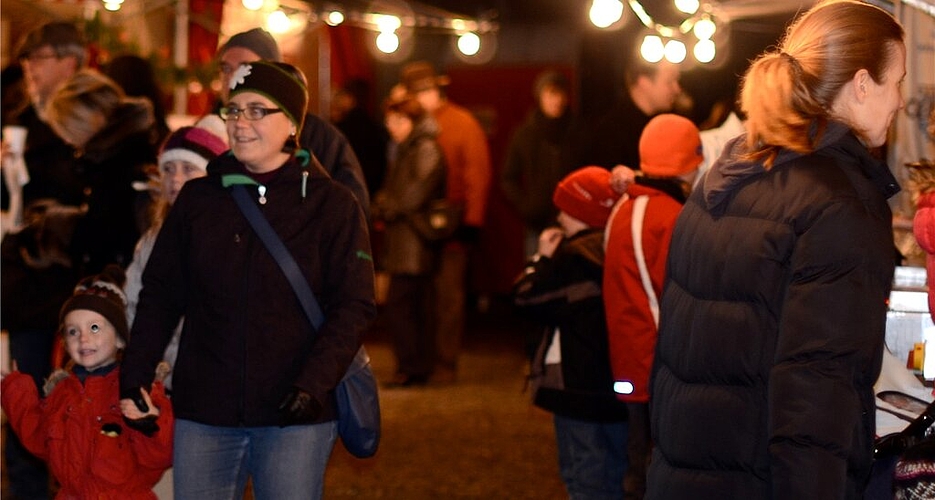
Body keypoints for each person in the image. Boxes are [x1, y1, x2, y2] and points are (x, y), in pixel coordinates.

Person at [645, 1, 906, 498]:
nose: (898, 100)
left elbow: (674, 361)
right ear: (862, 82)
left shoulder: (723, 176)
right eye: (897, 81)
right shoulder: (841, 202)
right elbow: (817, 394)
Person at [119, 60, 376, 499]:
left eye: (257, 110)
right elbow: (161, 294)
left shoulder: (331, 205)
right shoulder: (200, 200)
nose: (240, 123)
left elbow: (353, 305)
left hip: (294, 415)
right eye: (233, 110)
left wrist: (313, 385)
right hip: (205, 413)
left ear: (291, 122)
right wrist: (135, 376)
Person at [1, 22, 88, 499]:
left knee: (85, 403)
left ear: (71, 61)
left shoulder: (91, 115)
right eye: (28, 59)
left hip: (80, 286)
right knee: (26, 401)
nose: (30, 67)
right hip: (30, 289)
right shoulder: (19, 118)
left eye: (40, 57)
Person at [1, 265, 174, 499]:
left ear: (121, 340)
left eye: (94, 328)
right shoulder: (62, 392)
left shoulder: (136, 388)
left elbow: (160, 456)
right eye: (73, 331)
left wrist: (151, 421)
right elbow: (40, 439)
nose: (83, 337)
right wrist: (15, 391)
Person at [603, 114, 703, 500]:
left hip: (628, 359)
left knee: (636, 458)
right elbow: (679, 294)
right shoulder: (671, 216)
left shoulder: (624, 209)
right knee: (661, 464)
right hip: (661, 362)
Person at [513, 166, 628, 500]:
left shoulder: (576, 258)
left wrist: (541, 260)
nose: (560, 217)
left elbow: (525, 298)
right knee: (618, 472)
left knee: (584, 478)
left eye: (566, 209)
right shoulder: (617, 248)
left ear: (582, 212)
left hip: (578, 389)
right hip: (618, 384)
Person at [399, 60, 492, 383]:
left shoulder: (462, 123)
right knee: (423, 299)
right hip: (420, 230)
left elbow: (476, 175)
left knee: (448, 300)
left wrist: (471, 223)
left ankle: (445, 363)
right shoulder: (415, 125)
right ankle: (425, 362)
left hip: (449, 226)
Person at [214, 27, 370, 214]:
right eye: (226, 68)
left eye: (246, 68)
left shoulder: (320, 137)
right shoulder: (206, 129)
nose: (233, 78)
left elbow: (353, 210)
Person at [125, 124, 229, 390]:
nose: (176, 179)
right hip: (165, 380)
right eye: (168, 169)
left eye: (189, 168)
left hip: (218, 379)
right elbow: (134, 303)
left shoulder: (231, 235)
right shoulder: (153, 239)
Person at [43, 68, 156, 274]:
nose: (68, 141)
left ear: (92, 118)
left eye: (68, 130)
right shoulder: (112, 154)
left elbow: (102, 237)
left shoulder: (119, 164)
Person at [372, 94, 446, 387]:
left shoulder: (424, 148)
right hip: (405, 241)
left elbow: (415, 193)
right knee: (409, 307)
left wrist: (387, 207)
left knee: (406, 307)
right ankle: (413, 366)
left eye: (394, 120)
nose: (390, 127)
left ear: (409, 120)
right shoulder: (407, 148)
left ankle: (413, 367)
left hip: (414, 242)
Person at [501, 69, 591, 258]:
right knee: (537, 275)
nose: (556, 100)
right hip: (537, 223)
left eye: (560, 94)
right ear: (540, 96)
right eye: (550, 94)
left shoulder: (579, 132)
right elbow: (508, 177)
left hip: (573, 221)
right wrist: (527, 206)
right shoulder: (525, 134)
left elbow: (590, 173)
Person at [589, 59, 681, 170]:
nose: (677, 89)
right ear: (644, 82)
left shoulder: (669, 124)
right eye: (669, 81)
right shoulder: (610, 131)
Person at [331, 77, 389, 198]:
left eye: (341, 96)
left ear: (351, 98)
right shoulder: (371, 123)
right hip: (371, 184)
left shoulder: (347, 126)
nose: (337, 101)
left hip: (355, 184)